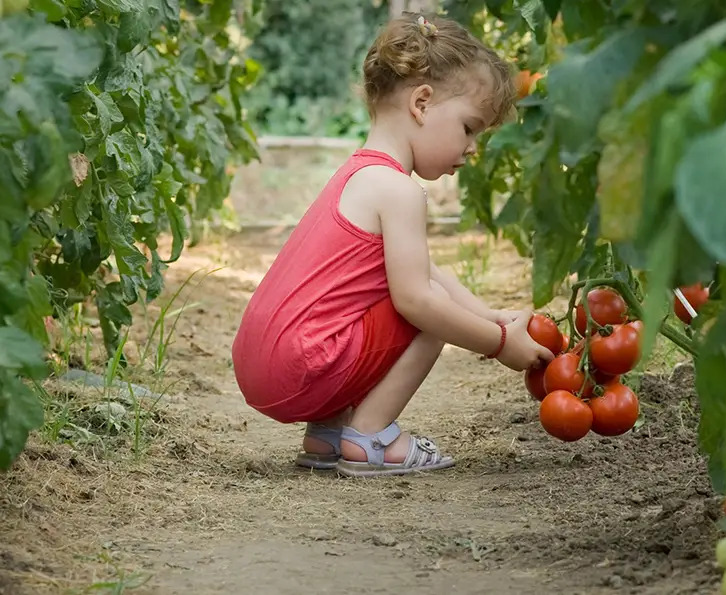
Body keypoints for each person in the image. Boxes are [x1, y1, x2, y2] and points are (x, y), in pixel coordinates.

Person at [231, 13, 554, 478]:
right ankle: (371, 436)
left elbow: (428, 271)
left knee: (420, 296)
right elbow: (419, 297)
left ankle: (331, 429)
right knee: (427, 309)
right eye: (469, 128)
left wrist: (489, 316)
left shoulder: (359, 175)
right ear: (422, 103)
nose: (472, 149)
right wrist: (499, 343)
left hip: (265, 365)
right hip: (301, 366)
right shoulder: (399, 191)